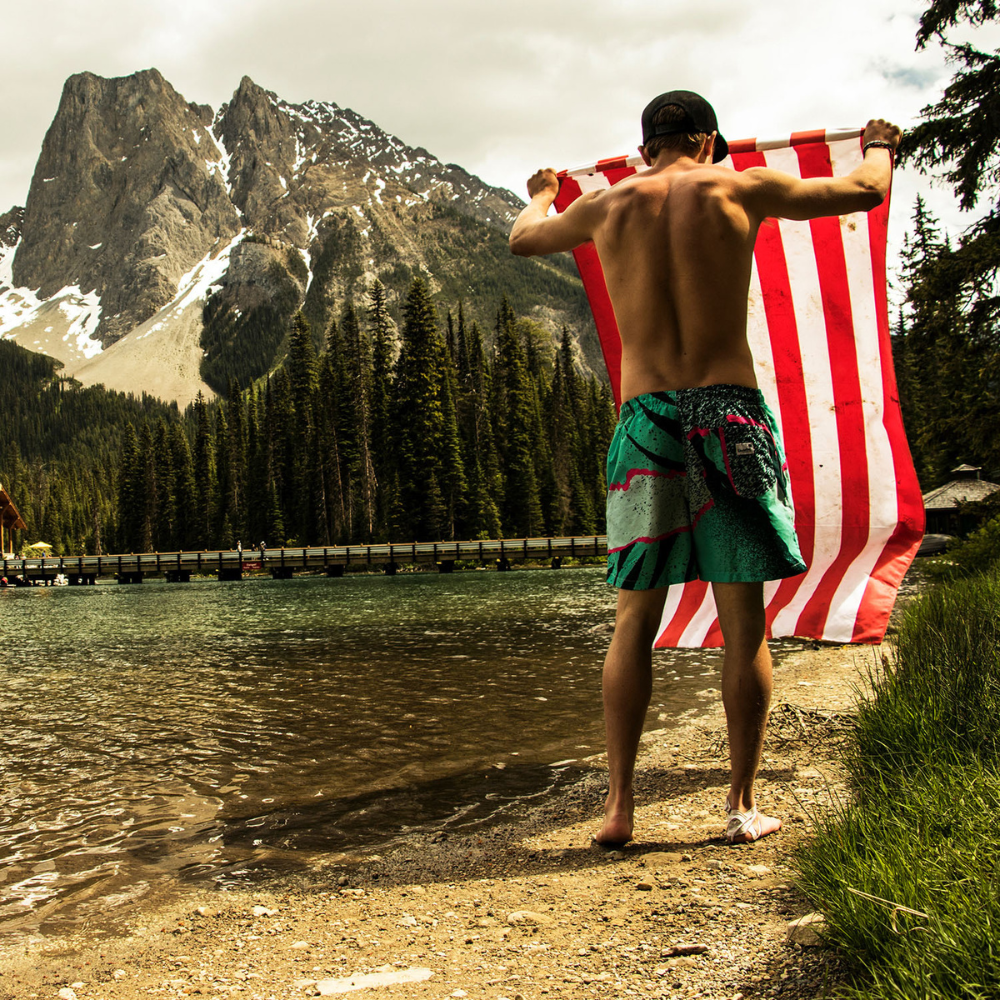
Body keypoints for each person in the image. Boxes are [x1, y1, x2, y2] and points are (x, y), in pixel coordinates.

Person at [510, 91, 900, 845]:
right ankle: (740, 805)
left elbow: (526, 239)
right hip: (728, 414)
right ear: (708, 140)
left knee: (634, 621)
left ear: (645, 145)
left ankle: (619, 808)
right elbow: (862, 191)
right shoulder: (737, 184)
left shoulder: (606, 206)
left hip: (646, 421)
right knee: (742, 622)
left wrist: (541, 193)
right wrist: (878, 143)